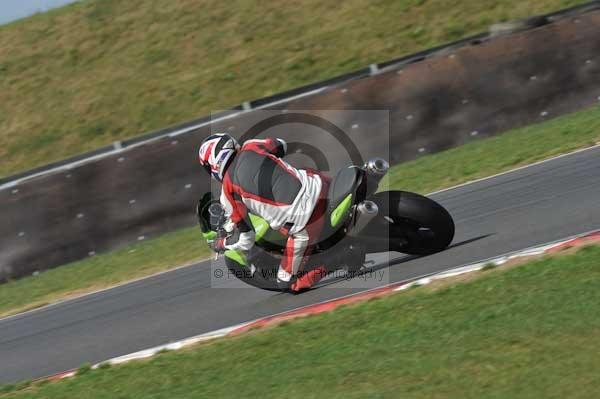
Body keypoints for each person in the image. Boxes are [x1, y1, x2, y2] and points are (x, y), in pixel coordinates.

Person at [198, 133, 329, 292]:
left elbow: (246, 240)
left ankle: (335, 261)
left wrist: (222, 244)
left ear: (212, 163)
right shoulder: (251, 145)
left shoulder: (228, 192)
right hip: (320, 185)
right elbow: (281, 144)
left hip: (306, 221)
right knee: (305, 171)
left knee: (288, 283)